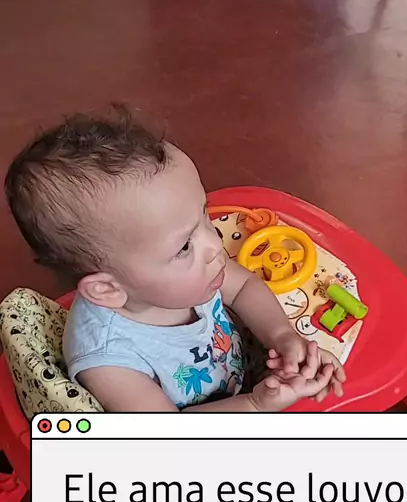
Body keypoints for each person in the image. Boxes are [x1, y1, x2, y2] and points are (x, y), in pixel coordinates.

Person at [4, 105, 346, 413]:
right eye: (184, 247)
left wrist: (282, 337)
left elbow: (244, 287)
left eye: (204, 214)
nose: (214, 245)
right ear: (108, 289)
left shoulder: (193, 270)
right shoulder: (110, 363)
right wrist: (254, 406)